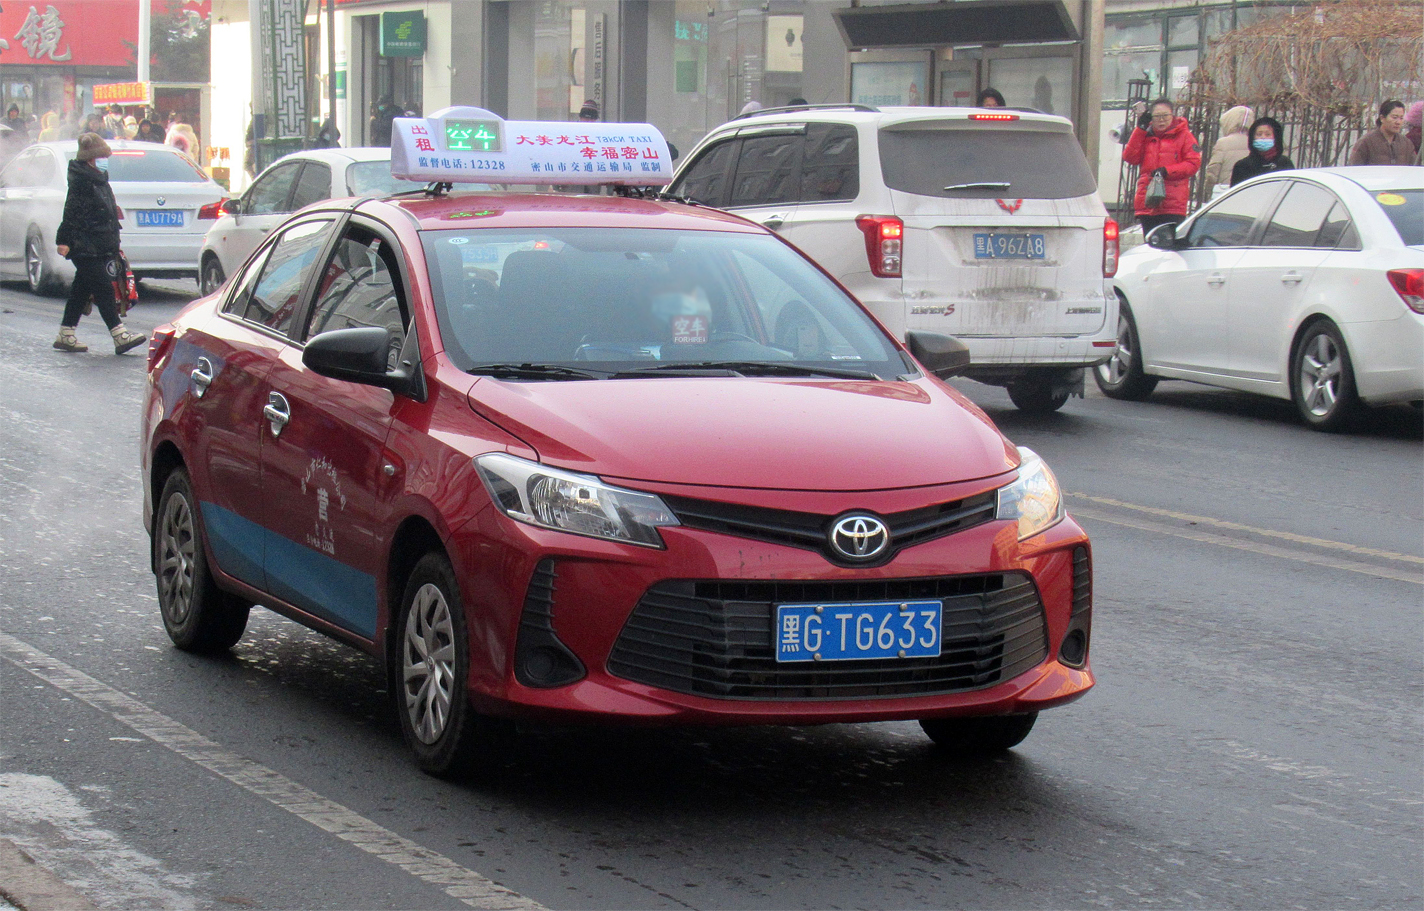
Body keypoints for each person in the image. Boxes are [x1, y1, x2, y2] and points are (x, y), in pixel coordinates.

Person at [52, 133, 147, 355]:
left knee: (81, 289)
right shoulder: (82, 181)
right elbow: (71, 211)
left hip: (98, 244)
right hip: (83, 244)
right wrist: (64, 240)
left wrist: (113, 244)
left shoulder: (98, 178)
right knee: (103, 288)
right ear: (91, 158)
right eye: (102, 157)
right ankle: (119, 335)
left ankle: (66, 334)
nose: (106, 160)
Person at [1122, 97, 1201, 234]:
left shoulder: (1184, 136)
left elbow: (1193, 163)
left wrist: (1167, 171)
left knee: (1169, 242)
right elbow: (1130, 157)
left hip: (1172, 204)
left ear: (1172, 115)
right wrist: (1140, 130)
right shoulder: (1145, 135)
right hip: (1147, 201)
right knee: (1150, 242)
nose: (1161, 120)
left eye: (1165, 115)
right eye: (1157, 116)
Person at [1230, 116, 1294, 186]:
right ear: (1252, 138)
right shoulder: (1242, 166)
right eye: (1259, 134)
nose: (1263, 137)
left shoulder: (1285, 163)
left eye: (1268, 134)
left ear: (1276, 137)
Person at [1348, 100, 1416, 166]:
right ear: (1382, 118)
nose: (1398, 122)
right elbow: (1354, 168)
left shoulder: (1406, 143)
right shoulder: (1366, 142)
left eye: (1401, 118)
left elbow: (1414, 168)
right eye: (1394, 117)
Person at [1201, 104, 1252, 191]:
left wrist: (1209, 188)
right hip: (1247, 188)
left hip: (1226, 189)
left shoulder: (1223, 143)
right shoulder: (1253, 143)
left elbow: (1213, 171)